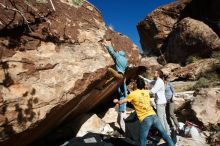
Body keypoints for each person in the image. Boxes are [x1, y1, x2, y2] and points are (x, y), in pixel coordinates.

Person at [113, 78, 175, 146]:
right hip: (154, 116)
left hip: (145, 118)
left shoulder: (133, 94)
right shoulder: (146, 92)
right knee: (164, 134)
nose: (133, 84)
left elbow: (121, 102)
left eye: (134, 83)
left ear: (136, 84)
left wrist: (116, 101)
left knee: (142, 140)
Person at [103, 40, 128, 132]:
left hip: (118, 74)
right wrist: (123, 81)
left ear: (119, 53)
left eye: (118, 52)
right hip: (121, 76)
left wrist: (107, 45)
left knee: (109, 69)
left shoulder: (118, 57)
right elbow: (127, 68)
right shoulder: (125, 60)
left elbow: (112, 53)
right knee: (114, 79)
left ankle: (104, 81)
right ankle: (105, 84)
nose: (117, 53)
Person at [139, 70, 170, 135]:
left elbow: (152, 91)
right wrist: (143, 78)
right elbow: (150, 82)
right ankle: (168, 132)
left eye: (155, 73)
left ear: (158, 74)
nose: (154, 73)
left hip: (160, 102)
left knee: (160, 119)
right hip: (162, 101)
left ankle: (164, 134)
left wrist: (142, 92)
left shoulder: (159, 82)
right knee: (164, 118)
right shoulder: (158, 81)